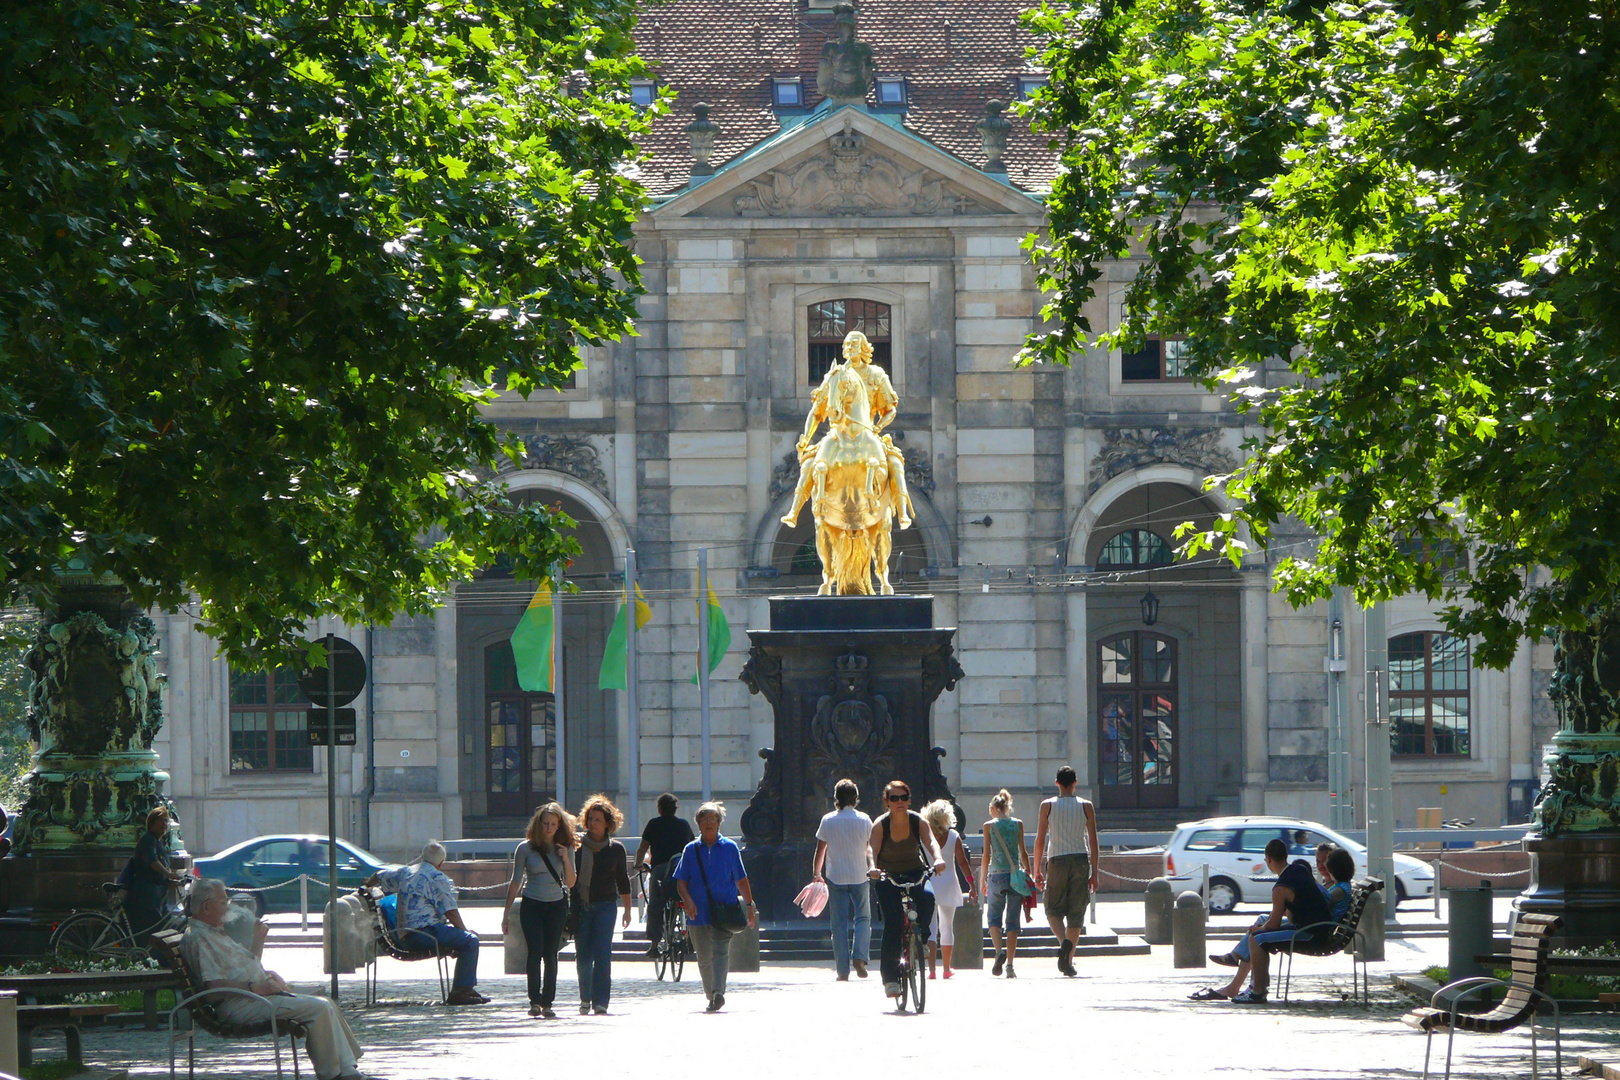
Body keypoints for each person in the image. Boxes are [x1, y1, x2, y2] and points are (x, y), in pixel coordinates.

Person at [182, 879, 367, 1080]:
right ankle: (333, 1074)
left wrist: (260, 945)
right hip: (239, 1005)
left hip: (250, 998)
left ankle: (347, 1068)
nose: (228, 906)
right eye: (223, 901)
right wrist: (257, 988)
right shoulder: (199, 938)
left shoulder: (213, 932)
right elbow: (213, 987)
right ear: (207, 906)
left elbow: (246, 967)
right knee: (319, 1007)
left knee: (325, 1002)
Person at [1191, 837, 1333, 1003]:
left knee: (1257, 938)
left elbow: (1273, 924)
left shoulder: (1280, 888)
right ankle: (1247, 976)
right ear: (1286, 856)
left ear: (1269, 860)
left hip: (1310, 933)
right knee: (1259, 930)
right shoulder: (1299, 870)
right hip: (1319, 927)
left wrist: (1258, 930)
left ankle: (1258, 991)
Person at [368, 841, 487, 1005]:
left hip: (404, 935)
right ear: (441, 863)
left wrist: (366, 886)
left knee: (463, 939)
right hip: (424, 934)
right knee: (470, 940)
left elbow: (378, 875)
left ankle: (466, 989)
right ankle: (460, 991)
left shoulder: (406, 871)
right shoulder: (437, 877)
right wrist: (465, 932)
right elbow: (451, 912)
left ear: (422, 857)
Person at [673, 801, 758, 1012]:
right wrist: (688, 901)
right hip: (697, 912)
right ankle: (711, 994)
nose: (709, 822)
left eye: (713, 819)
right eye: (704, 819)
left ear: (719, 823)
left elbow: (741, 879)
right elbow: (681, 882)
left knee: (720, 952)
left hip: (724, 910)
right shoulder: (690, 850)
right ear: (699, 824)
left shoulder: (729, 847)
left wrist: (749, 905)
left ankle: (719, 993)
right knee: (703, 957)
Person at [867, 780, 945, 1003]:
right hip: (887, 876)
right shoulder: (880, 824)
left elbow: (931, 841)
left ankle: (922, 941)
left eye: (903, 798)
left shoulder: (917, 820)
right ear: (886, 802)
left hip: (915, 872)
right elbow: (871, 848)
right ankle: (890, 979)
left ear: (909, 800)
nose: (899, 802)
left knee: (928, 898)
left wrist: (938, 858)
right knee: (892, 924)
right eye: (894, 798)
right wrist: (872, 867)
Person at [501, 803, 577, 1018]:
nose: (549, 828)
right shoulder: (525, 848)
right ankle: (534, 1001)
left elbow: (571, 882)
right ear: (538, 824)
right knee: (534, 952)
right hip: (532, 903)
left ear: (559, 825)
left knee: (550, 954)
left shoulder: (566, 847)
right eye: (545, 824)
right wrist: (506, 913)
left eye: (553, 824)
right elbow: (515, 881)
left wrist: (564, 858)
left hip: (556, 905)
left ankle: (548, 1003)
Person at [1032, 765, 1100, 977]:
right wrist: (1095, 873)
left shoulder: (1047, 805)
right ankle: (1068, 959)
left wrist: (1036, 869)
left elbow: (1040, 839)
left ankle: (1064, 945)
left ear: (1057, 783)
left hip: (1057, 859)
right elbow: (1093, 841)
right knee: (1076, 911)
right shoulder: (1086, 805)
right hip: (1080, 859)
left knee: (1052, 908)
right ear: (1075, 783)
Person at [573, 794, 632, 1015]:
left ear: (608, 823)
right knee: (584, 954)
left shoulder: (616, 849)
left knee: (603, 954)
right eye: (590, 819)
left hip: (607, 906)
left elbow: (623, 881)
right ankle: (585, 998)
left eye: (598, 819)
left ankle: (601, 1001)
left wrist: (627, 910)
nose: (593, 823)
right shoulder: (577, 846)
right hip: (583, 906)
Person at [811, 778, 874, 981]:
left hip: (836, 877)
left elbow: (820, 850)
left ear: (836, 798)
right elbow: (870, 847)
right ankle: (860, 957)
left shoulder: (828, 820)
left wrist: (816, 874)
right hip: (860, 874)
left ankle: (842, 970)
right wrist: (873, 866)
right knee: (863, 918)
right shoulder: (865, 819)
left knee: (838, 924)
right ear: (855, 798)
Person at [632, 793, 694, 957]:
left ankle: (654, 945)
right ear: (675, 809)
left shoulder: (653, 824)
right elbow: (692, 847)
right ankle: (691, 939)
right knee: (689, 900)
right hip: (681, 869)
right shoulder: (684, 825)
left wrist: (638, 865)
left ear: (659, 809)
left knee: (655, 906)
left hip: (660, 870)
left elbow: (642, 849)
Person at [977, 789, 1030, 978]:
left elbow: (986, 856)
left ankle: (999, 951)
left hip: (996, 875)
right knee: (1013, 922)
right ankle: (1010, 966)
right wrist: (1028, 872)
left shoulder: (988, 826)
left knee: (994, 918)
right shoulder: (1018, 824)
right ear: (1006, 807)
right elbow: (1023, 852)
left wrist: (982, 879)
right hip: (1015, 875)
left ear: (993, 808)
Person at [920, 799, 973, 980]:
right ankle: (947, 968)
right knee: (947, 926)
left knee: (931, 928)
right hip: (949, 882)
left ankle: (932, 969)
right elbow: (963, 863)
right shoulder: (953, 836)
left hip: (930, 883)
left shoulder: (924, 836)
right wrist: (972, 884)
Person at [128, 806, 185, 941]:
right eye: (161, 821)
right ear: (152, 823)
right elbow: (153, 863)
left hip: (157, 894)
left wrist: (169, 879)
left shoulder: (158, 842)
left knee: (161, 925)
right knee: (153, 929)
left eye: (166, 822)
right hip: (146, 895)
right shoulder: (148, 841)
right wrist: (169, 874)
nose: (164, 825)